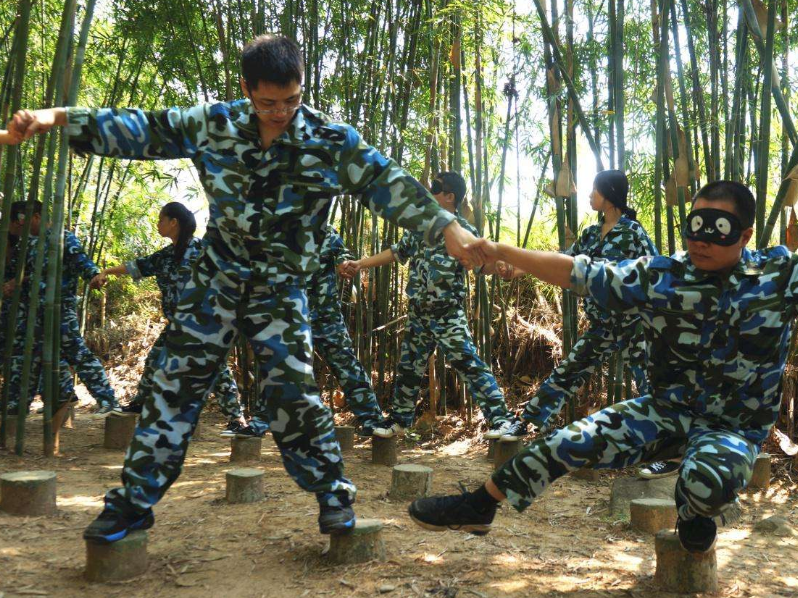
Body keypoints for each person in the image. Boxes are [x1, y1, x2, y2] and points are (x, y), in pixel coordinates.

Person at [8, 34, 482, 543]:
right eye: (268, 103)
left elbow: (389, 183)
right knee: (173, 385)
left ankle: (333, 498)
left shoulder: (329, 139)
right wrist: (54, 117)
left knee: (292, 392)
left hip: (280, 286)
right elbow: (144, 127)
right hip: (217, 277)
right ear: (246, 90)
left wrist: (448, 228)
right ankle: (132, 504)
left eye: (292, 100)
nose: (281, 113)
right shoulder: (215, 124)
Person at [407, 174, 798, 554]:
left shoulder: (778, 275)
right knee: (563, 443)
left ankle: (695, 509)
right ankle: (479, 506)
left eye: (719, 228)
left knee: (706, 480)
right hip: (664, 412)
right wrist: (502, 251)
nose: (702, 239)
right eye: (696, 226)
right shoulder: (663, 275)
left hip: (731, 428)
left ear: (746, 231)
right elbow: (581, 273)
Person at [340, 172, 516, 439]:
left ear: (449, 196)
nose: (428, 191)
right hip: (419, 312)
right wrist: (361, 264)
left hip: (447, 313)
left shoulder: (462, 230)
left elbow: (483, 265)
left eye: (434, 187)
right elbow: (397, 252)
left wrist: (500, 265)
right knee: (409, 367)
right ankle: (398, 421)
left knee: (468, 362)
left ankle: (501, 420)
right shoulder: (422, 226)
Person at [496, 170, 658, 443]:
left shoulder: (633, 232)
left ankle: (668, 444)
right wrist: (519, 269)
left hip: (633, 324)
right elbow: (564, 261)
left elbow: (655, 273)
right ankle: (527, 423)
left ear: (609, 195)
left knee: (651, 385)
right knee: (567, 373)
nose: (589, 195)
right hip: (602, 325)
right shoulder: (592, 233)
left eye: (595, 190)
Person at [94, 202, 249, 436]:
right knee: (155, 360)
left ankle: (237, 420)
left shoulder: (203, 250)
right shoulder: (165, 256)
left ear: (173, 222)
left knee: (216, 371)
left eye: (160, 220)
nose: (158, 224)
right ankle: (140, 402)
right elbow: (136, 266)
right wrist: (106, 272)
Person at [3, 200, 117, 416]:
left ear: (36, 217)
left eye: (21, 220)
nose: (19, 226)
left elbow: (83, 263)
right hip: (33, 313)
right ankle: (18, 404)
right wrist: (15, 282)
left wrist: (94, 276)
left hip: (60, 311)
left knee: (78, 354)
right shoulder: (26, 245)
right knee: (28, 357)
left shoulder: (63, 238)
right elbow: (17, 272)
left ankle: (108, 400)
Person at [308, 226, 392, 438]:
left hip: (326, 314)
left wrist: (344, 265)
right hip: (290, 316)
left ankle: (372, 420)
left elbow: (342, 253)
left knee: (346, 365)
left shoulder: (325, 230)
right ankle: (263, 421)